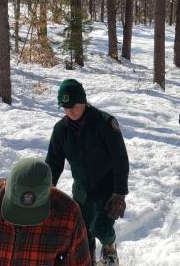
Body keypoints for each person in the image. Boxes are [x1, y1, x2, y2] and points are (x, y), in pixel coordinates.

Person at [46, 79, 129, 265]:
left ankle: (109, 249)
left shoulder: (105, 123)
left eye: (73, 105)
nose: (69, 110)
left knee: (100, 227)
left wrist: (120, 193)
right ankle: (88, 260)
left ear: (83, 100)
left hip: (107, 188)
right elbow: (53, 162)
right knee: (81, 232)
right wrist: (47, 189)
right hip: (81, 190)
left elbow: (120, 159)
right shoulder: (61, 130)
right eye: (64, 107)